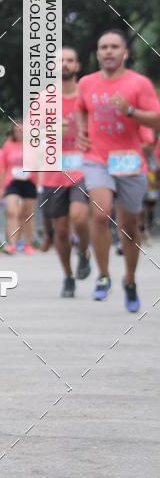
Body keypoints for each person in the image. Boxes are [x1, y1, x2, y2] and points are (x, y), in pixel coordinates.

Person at [77, 29, 160, 311]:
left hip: (129, 159)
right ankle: (103, 276)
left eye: (114, 47)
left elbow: (156, 121)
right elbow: (82, 109)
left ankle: (130, 280)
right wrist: (82, 132)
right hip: (97, 158)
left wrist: (131, 112)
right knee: (100, 214)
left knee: (128, 225)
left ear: (125, 52)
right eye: (104, 47)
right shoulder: (87, 82)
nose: (109, 51)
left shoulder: (139, 83)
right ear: (98, 53)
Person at [39, 47, 91, 298]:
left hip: (83, 168)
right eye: (60, 61)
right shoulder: (43, 99)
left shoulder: (87, 96)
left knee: (79, 217)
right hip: (54, 172)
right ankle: (68, 276)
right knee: (60, 230)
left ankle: (83, 251)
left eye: (70, 60)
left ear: (77, 66)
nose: (65, 64)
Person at [0, 122, 38, 254]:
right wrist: (1, 187)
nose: (19, 132)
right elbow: (3, 167)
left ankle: (28, 244)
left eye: (21, 130)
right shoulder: (8, 145)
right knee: (12, 212)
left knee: (27, 214)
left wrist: (39, 184)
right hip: (13, 182)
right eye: (16, 130)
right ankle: (12, 245)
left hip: (29, 181)